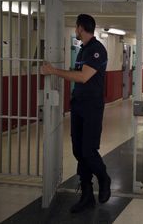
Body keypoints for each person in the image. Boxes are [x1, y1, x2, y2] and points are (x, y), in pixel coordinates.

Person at [41, 14, 111, 213]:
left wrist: (53, 71)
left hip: (92, 109)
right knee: (78, 150)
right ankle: (87, 194)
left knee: (88, 150)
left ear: (80, 28)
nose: (75, 30)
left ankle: (104, 178)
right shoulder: (83, 51)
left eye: (75, 27)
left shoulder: (97, 50)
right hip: (79, 106)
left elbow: (83, 77)